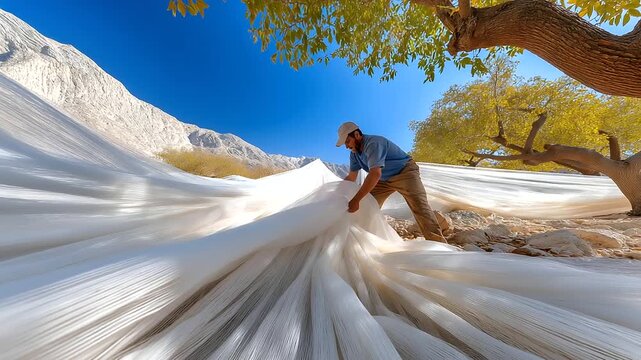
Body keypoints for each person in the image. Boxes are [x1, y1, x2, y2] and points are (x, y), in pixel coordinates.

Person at [336, 121, 447, 243]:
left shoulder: (374, 143)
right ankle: (366, 241)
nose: (346, 146)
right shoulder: (354, 154)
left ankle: (439, 245)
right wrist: (336, 191)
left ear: (356, 135)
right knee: (366, 204)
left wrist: (356, 200)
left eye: (347, 141)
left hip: (405, 172)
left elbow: (375, 173)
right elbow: (351, 177)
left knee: (420, 207)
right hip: (383, 180)